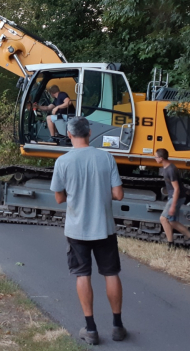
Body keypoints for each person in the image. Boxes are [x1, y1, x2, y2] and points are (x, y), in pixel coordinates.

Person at [50, 116, 126, 345]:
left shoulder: (62, 161)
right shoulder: (106, 157)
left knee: (83, 275)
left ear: (69, 135)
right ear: (90, 133)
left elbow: (59, 198)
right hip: (104, 228)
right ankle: (117, 326)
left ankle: (91, 329)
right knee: (111, 274)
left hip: (77, 231)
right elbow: (118, 194)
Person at [155, 148, 190, 251]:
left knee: (163, 219)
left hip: (176, 197)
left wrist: (172, 206)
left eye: (156, 157)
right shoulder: (167, 167)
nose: (155, 158)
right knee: (172, 222)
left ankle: (171, 244)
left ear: (161, 158)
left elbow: (176, 189)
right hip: (174, 197)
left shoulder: (170, 170)